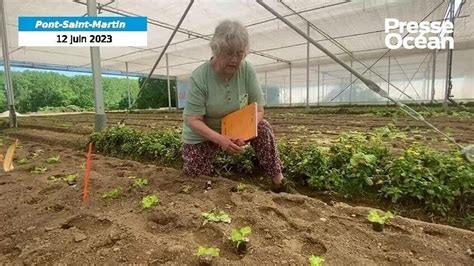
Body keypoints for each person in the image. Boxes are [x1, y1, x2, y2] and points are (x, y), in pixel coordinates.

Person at [182, 20, 295, 193]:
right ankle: (209, 172)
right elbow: (193, 119)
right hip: (204, 133)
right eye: (229, 53)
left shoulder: (247, 70)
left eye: (240, 53)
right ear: (217, 50)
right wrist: (220, 139)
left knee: (263, 128)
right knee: (195, 180)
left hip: (235, 128)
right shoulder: (200, 77)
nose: (235, 59)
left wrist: (245, 131)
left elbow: (258, 109)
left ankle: (278, 180)